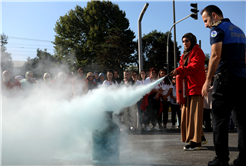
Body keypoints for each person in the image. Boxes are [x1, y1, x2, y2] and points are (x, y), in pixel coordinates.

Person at [201, 5, 246, 166]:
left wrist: (207, 81)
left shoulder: (217, 29)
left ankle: (221, 159)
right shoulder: (239, 30)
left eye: (206, 20)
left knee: (219, 119)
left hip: (225, 80)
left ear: (214, 16)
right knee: (241, 121)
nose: (206, 24)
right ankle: (244, 158)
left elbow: (215, 55)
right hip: (242, 79)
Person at [170, 32, 206, 151]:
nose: (185, 43)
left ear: (192, 41)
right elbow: (182, 67)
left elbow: (193, 67)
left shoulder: (198, 52)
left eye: (187, 41)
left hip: (195, 86)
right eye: (183, 41)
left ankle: (196, 142)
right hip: (186, 88)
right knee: (188, 114)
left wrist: (179, 71)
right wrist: (177, 75)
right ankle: (200, 136)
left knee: (194, 115)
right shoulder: (184, 55)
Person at [203, 67, 213, 132]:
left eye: (207, 72)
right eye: (205, 72)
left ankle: (214, 127)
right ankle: (208, 127)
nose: (206, 73)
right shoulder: (202, 80)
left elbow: (213, 88)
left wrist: (207, 89)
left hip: (212, 99)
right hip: (205, 100)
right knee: (206, 115)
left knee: (214, 115)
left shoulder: (213, 79)